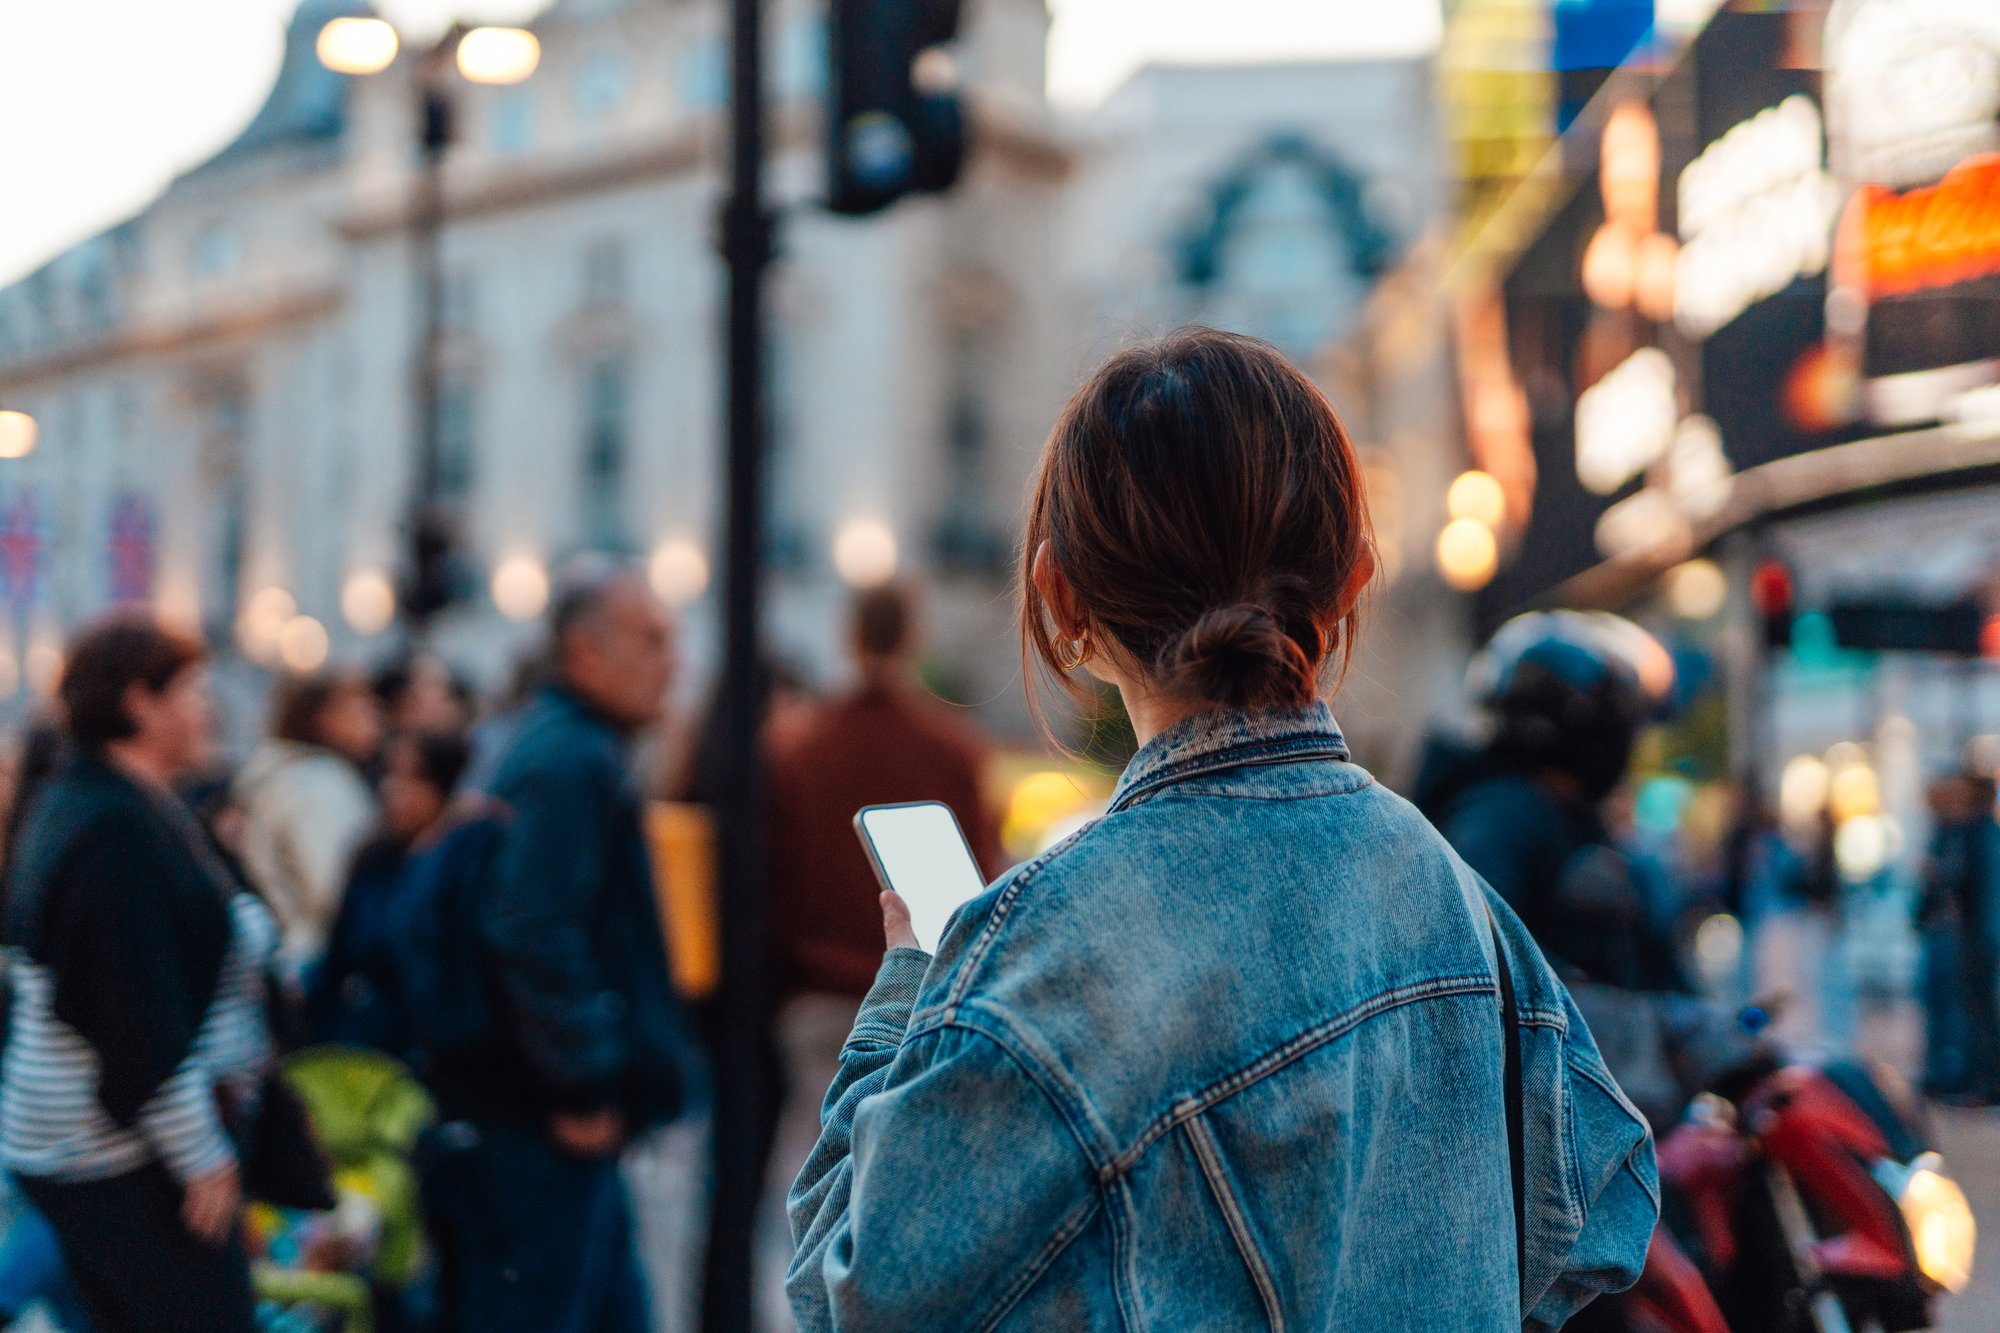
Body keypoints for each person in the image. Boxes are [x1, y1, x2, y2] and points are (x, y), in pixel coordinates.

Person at [787, 330, 1656, 1330]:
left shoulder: (1041, 948)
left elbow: (843, 1297)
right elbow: (1603, 1204)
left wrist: (907, 994)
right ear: (1350, 579)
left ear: (1060, 599)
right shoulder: (1446, 881)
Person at [426, 564, 699, 1333]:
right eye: (651, 640)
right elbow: (530, 925)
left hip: (545, 1117)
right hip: (544, 1124)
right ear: (584, 650)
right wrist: (581, 1085)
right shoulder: (570, 759)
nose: (671, 660)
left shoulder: (553, 743)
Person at [0, 616, 279, 1333]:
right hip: (113, 1151)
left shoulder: (120, 803)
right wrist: (202, 1156)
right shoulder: (110, 821)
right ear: (138, 702)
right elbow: (131, 1012)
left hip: (98, 1143)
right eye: (191, 689)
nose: (208, 707)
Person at [757, 583, 1002, 1325]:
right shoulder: (954, 750)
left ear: (849, 635)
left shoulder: (797, 747)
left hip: (817, 1000)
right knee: (909, 1189)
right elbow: (980, 885)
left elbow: (773, 880)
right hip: (925, 998)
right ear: (912, 639)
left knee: (812, 1193)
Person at [309, 729, 472, 1053]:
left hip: (440, 1052)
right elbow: (338, 957)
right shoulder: (373, 857)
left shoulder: (463, 865)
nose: (394, 791)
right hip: (367, 1047)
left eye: (415, 779)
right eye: (392, 775)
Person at [235, 669, 383, 971]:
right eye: (360, 709)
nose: (374, 719)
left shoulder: (286, 775)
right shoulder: (317, 781)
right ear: (324, 718)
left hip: (294, 954)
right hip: (322, 958)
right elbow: (335, 883)